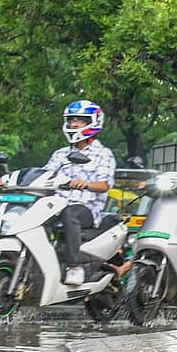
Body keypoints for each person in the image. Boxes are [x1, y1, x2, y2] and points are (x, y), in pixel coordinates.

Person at [44, 100, 116, 286]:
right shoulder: (60, 154)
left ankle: (75, 266)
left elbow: (104, 185)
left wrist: (86, 184)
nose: (74, 124)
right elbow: (44, 174)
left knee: (70, 213)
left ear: (93, 122)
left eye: (80, 120)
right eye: (72, 120)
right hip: (54, 205)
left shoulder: (103, 153)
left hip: (86, 208)